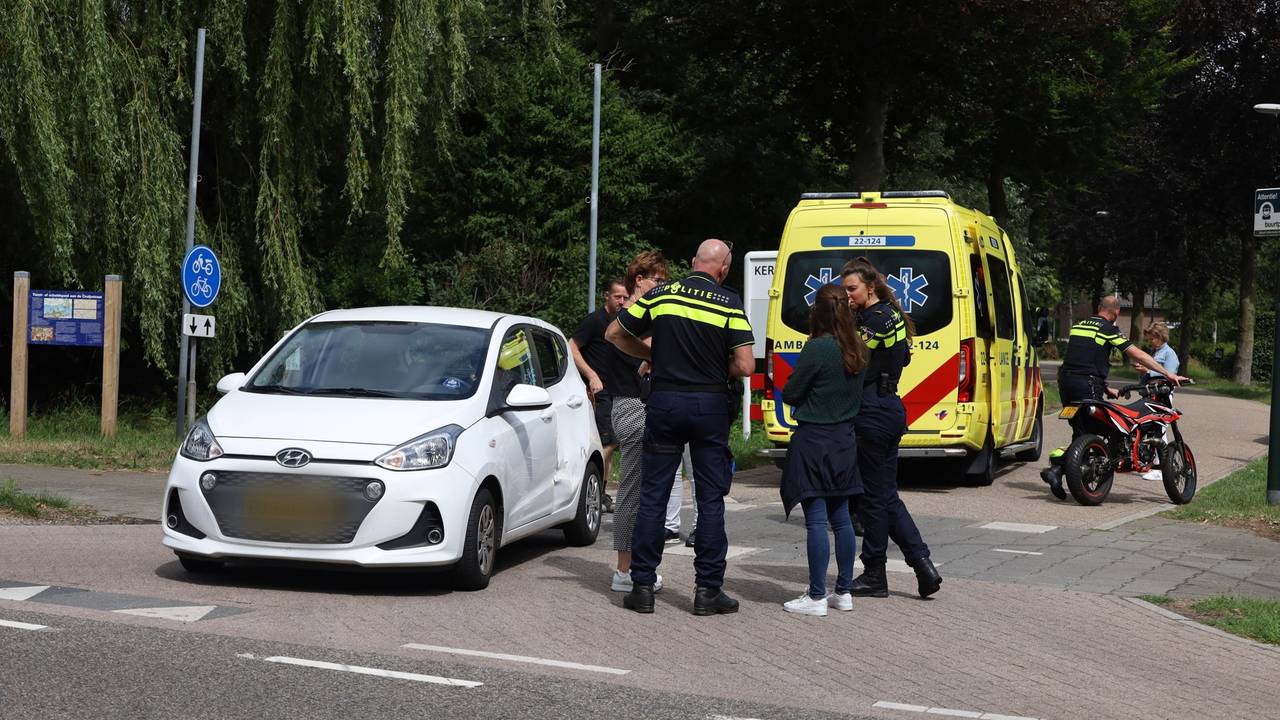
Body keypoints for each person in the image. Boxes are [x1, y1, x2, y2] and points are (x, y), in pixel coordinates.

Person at [606, 238, 754, 615]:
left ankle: (642, 588)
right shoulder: (729, 303)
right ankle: (707, 591)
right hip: (708, 407)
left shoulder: (662, 295)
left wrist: (653, 354)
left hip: (664, 404)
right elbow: (746, 365)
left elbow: (614, 334)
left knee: (653, 496)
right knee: (709, 500)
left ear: (692, 262)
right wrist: (713, 367)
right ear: (722, 270)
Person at [840, 257, 942, 599]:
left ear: (870, 287)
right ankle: (922, 564)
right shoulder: (889, 315)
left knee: (873, 499)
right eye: (844, 289)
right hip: (887, 408)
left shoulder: (875, 320)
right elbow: (905, 358)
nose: (847, 295)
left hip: (872, 411)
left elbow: (852, 360)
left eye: (852, 288)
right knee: (883, 495)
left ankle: (875, 573)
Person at [1039, 297, 1186, 498]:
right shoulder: (1107, 328)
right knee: (1107, 428)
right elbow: (1137, 354)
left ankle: (1058, 472)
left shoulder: (1079, 326)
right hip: (1087, 384)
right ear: (1116, 313)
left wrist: (1105, 388)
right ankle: (1063, 470)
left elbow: (1082, 359)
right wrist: (1168, 374)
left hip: (1065, 383)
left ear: (1099, 308)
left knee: (1081, 430)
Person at [779, 284, 867, 617]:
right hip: (845, 440)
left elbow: (791, 392)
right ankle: (843, 591)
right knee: (842, 518)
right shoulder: (857, 347)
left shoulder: (817, 348)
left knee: (816, 520)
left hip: (814, 439)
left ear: (817, 312)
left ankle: (816, 596)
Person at [603, 253, 670, 592]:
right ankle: (624, 570)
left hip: (641, 406)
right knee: (632, 492)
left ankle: (633, 566)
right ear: (639, 279)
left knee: (643, 491)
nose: (661, 286)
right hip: (631, 408)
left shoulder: (643, 315)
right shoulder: (629, 317)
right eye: (657, 280)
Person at [569, 279, 631, 513]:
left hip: (619, 389)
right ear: (607, 296)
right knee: (609, 442)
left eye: (625, 298)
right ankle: (590, 489)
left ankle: (601, 491)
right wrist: (591, 375)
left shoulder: (624, 322)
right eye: (618, 297)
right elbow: (571, 346)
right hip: (600, 391)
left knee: (611, 444)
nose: (622, 302)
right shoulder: (595, 321)